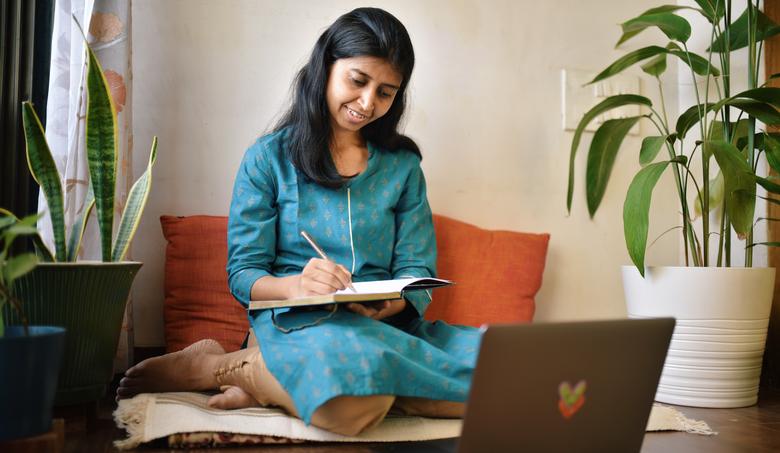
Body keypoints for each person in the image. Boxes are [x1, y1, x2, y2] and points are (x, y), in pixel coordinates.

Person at [116, 7, 481, 436]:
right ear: (325, 67)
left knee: (502, 378)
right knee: (353, 404)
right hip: (298, 326)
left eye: (386, 92)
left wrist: (394, 302)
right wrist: (297, 286)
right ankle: (216, 366)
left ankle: (263, 378)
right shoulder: (268, 158)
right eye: (358, 81)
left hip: (385, 330)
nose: (368, 103)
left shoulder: (403, 167)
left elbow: (417, 269)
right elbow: (243, 274)